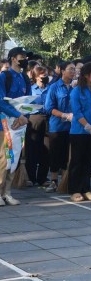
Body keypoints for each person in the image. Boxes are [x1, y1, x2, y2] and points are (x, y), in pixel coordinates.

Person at [0, 47, 33, 205]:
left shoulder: (25, 78)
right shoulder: (4, 76)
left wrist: (23, 117)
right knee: (4, 158)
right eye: (22, 56)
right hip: (5, 124)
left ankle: (7, 192)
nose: (25, 59)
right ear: (13, 58)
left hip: (20, 125)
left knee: (14, 158)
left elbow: (28, 101)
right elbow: (1, 101)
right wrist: (16, 115)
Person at [67, 63, 91, 202]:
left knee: (88, 162)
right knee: (77, 161)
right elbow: (77, 111)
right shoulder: (77, 91)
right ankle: (75, 190)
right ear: (87, 75)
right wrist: (88, 126)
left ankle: (86, 188)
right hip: (79, 132)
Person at [43, 62, 75, 193]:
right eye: (70, 69)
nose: (73, 72)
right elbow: (49, 108)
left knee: (68, 155)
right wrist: (64, 115)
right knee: (55, 154)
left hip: (73, 127)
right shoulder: (55, 87)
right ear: (62, 71)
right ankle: (54, 181)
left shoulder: (76, 87)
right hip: (57, 126)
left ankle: (65, 181)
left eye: (74, 69)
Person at [26, 65, 51, 185]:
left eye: (46, 73)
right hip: (34, 118)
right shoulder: (30, 89)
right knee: (32, 148)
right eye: (42, 74)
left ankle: (43, 178)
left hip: (48, 119)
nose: (44, 76)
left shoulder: (50, 88)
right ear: (36, 76)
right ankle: (31, 177)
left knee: (46, 149)